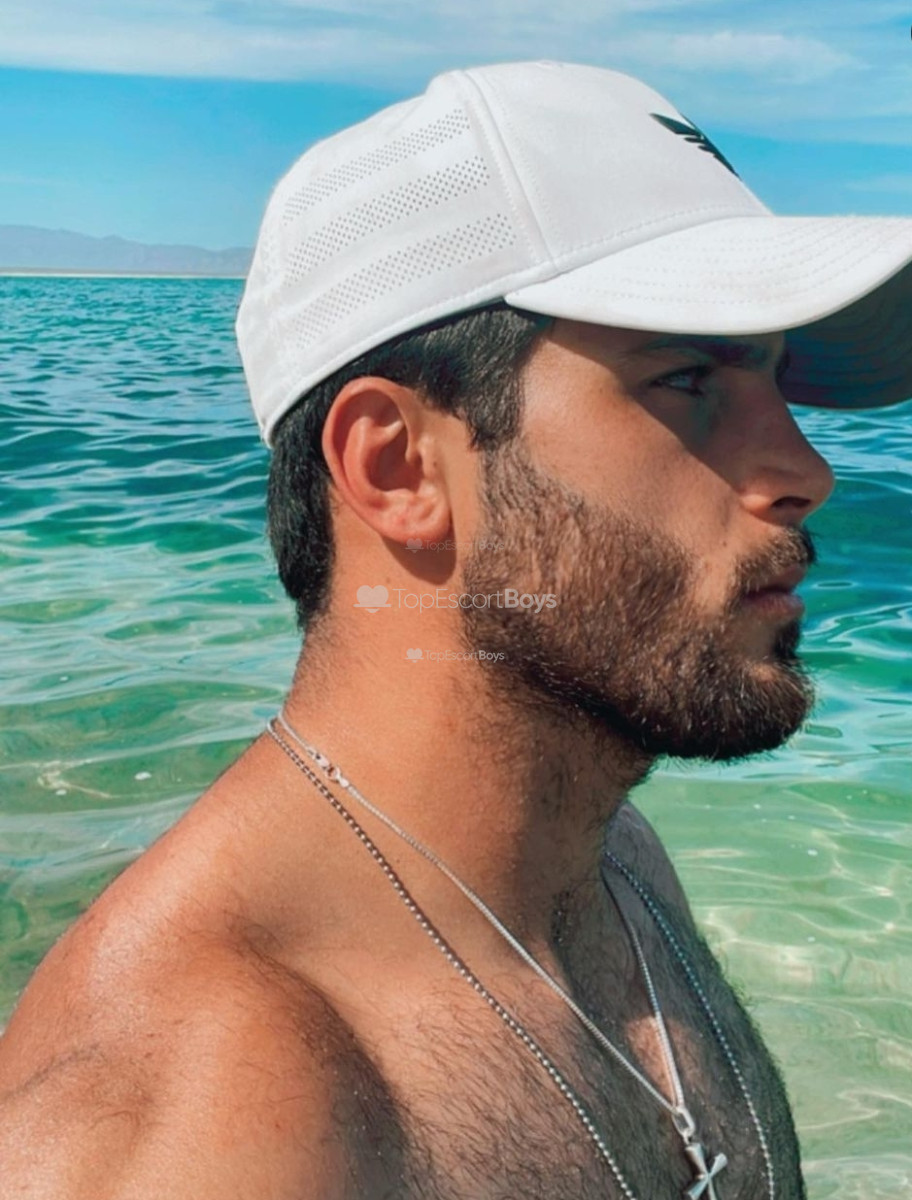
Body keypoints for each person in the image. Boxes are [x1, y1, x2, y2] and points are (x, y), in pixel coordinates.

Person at [1, 60, 910, 1200]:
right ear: (397, 468)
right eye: (688, 379)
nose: (808, 470)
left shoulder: (614, 866)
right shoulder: (206, 1125)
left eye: (776, 383)